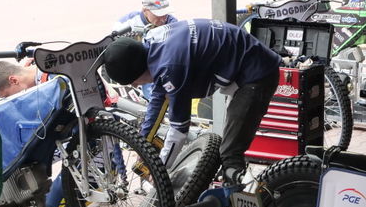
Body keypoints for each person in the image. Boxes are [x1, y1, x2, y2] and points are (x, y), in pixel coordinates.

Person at [100, 19, 280, 185]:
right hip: (245, 66)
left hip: (257, 75)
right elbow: (158, 100)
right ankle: (233, 193)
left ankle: (252, 199)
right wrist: (143, 146)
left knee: (230, 153)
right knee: (228, 146)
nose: (135, 85)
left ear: (136, 74)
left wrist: (159, 172)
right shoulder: (153, 43)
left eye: (133, 82)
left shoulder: (171, 68)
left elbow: (179, 130)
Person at [114, 0, 179, 34]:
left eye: (165, 13)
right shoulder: (125, 23)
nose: (163, 19)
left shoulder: (173, 23)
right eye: (158, 15)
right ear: (145, 10)